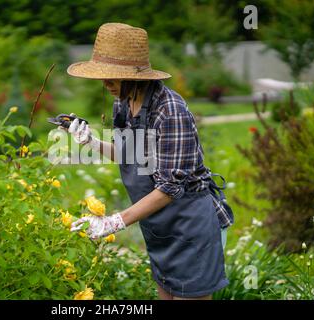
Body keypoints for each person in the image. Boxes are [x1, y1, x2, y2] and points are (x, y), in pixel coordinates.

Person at [62, 22, 234, 300]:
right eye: (103, 77)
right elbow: (132, 155)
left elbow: (169, 188)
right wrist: (92, 142)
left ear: (136, 77)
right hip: (159, 227)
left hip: (190, 228)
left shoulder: (170, 111)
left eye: (112, 78)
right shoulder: (124, 102)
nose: (105, 85)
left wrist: (113, 222)